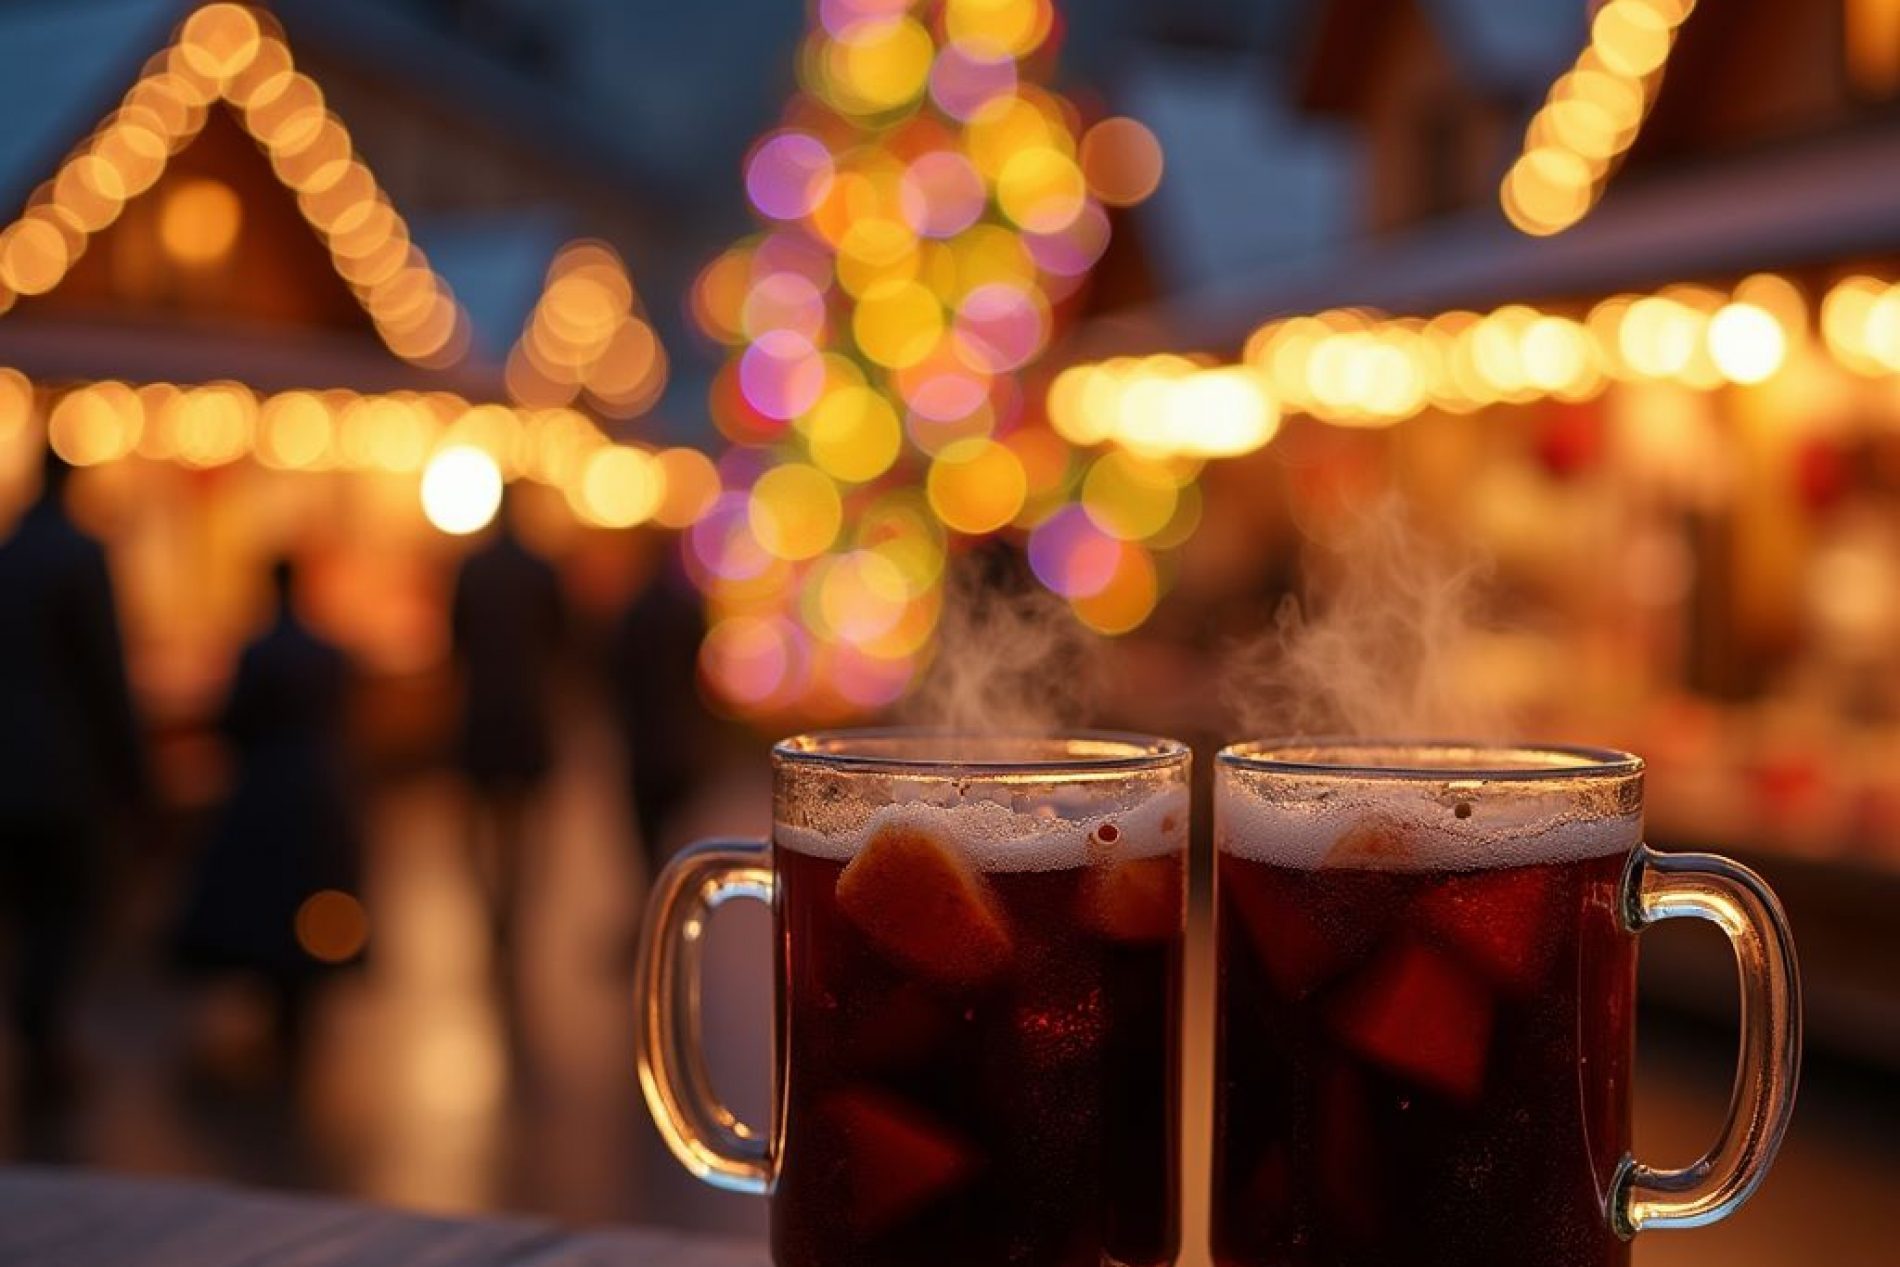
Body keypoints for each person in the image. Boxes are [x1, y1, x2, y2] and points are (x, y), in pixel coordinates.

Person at [0, 446, 145, 1102]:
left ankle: (36, 1033)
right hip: (62, 770)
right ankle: (43, 1036)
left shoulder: (10, 553)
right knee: (65, 908)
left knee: (26, 908)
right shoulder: (78, 557)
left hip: (13, 767)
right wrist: (131, 773)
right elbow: (104, 673)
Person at [174, 557, 361, 1068]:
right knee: (309, 894)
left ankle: (281, 1010)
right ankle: (297, 1011)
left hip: (266, 788)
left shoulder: (258, 652)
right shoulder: (325, 651)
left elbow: (233, 720)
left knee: (269, 902)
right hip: (317, 790)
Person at [450, 490, 564, 984]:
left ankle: (496, 910)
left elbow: (454, 640)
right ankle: (513, 908)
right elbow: (560, 642)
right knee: (523, 825)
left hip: (482, 712)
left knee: (480, 823)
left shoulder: (471, 569)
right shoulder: (539, 570)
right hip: (526, 712)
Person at [610, 549, 711, 879]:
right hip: (681, 736)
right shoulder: (687, 611)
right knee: (680, 822)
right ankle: (675, 878)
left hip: (644, 738)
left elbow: (616, 675)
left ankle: (655, 883)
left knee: (648, 827)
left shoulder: (632, 612)